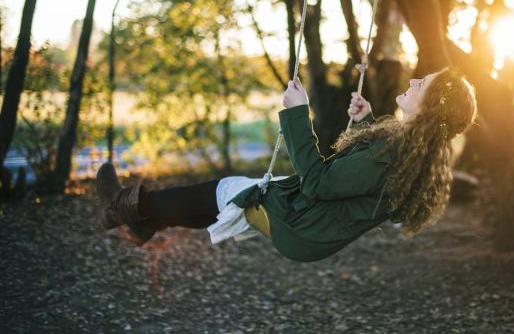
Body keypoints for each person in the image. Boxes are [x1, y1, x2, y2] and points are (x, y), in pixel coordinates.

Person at [96, 67, 477, 262]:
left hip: (305, 224)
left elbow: (317, 181)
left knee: (230, 191)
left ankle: (125, 206)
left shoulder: (390, 157)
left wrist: (298, 115)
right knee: (233, 196)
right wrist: (368, 121)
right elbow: (367, 176)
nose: (414, 79)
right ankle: (144, 218)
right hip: (315, 226)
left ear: (431, 107)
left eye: (424, 82)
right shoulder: (411, 154)